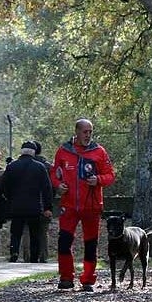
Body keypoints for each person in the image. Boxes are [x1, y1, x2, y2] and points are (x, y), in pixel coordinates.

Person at [50, 119, 116, 292]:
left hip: (92, 207)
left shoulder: (99, 152)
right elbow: (54, 174)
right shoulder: (63, 151)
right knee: (64, 241)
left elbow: (110, 175)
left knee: (90, 244)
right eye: (85, 132)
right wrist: (59, 186)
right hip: (69, 206)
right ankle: (66, 278)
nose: (88, 135)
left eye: (90, 132)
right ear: (77, 132)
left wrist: (98, 180)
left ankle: (87, 280)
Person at [2, 141, 54, 263]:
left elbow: (3, 185)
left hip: (16, 206)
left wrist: (10, 198)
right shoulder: (40, 167)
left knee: (16, 232)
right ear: (33, 153)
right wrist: (48, 207)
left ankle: (14, 252)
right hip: (34, 207)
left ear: (21, 151)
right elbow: (47, 189)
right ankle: (34, 257)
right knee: (34, 233)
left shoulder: (12, 166)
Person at [32, 140, 53, 263]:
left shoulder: (20, 164)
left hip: (28, 204)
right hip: (45, 203)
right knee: (43, 231)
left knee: (27, 231)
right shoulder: (48, 166)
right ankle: (43, 256)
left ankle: (27, 256)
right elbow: (52, 186)